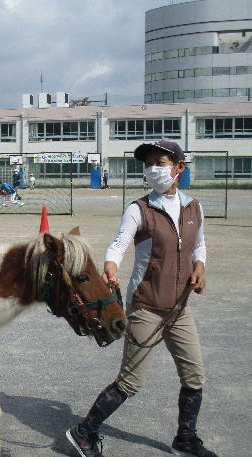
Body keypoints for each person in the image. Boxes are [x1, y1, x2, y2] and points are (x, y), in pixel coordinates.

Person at [66, 140, 217, 457]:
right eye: (148, 164)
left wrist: (200, 268)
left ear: (179, 168)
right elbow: (119, 244)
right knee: (130, 382)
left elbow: (199, 246)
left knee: (194, 376)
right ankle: (83, 432)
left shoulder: (194, 207)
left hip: (180, 309)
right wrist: (110, 266)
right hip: (146, 308)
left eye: (160, 162)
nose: (153, 169)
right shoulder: (140, 209)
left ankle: (185, 440)